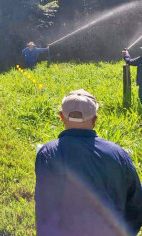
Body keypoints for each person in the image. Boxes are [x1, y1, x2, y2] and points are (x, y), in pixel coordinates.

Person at [35, 89, 142, 235]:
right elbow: (135, 204)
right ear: (95, 119)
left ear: (61, 116)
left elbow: (44, 205)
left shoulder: (47, 153)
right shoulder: (118, 154)